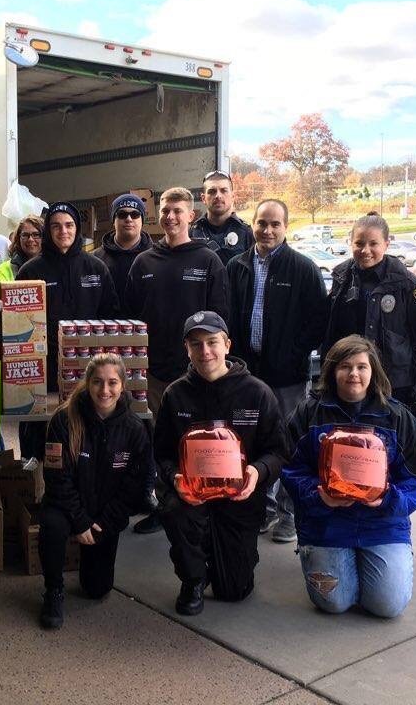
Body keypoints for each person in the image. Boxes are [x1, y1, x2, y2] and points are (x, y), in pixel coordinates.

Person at [282, 335, 416, 618]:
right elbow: (291, 468)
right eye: (345, 366)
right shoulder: (309, 413)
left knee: (387, 606)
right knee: (334, 603)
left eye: (361, 366)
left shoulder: (397, 417)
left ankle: (392, 557)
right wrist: (318, 495)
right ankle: (320, 553)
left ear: (373, 371)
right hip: (326, 522)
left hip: (381, 524)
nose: (353, 374)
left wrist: (389, 499)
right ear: (331, 371)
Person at [155, 311, 290, 616]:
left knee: (234, 591)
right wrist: (174, 477)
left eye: (212, 342)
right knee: (174, 510)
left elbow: (279, 452)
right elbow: (161, 453)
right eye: (196, 344)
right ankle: (192, 579)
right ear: (186, 349)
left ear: (227, 344)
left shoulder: (257, 393)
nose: (205, 352)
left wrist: (257, 472)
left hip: (239, 499)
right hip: (190, 496)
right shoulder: (175, 395)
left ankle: (231, 557)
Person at [125, 187, 229, 534]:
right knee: (162, 442)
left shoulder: (208, 260)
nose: (170, 217)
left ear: (191, 216)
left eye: (177, 211)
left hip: (197, 374)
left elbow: (222, 318)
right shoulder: (143, 263)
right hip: (154, 372)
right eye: (165, 211)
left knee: (199, 439)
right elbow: (130, 318)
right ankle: (166, 504)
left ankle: (204, 505)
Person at [227, 199, 329, 544]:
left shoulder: (303, 268)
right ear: (251, 225)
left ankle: (288, 514)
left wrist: (294, 352)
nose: (267, 230)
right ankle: (263, 509)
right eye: (261, 223)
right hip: (247, 374)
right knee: (253, 442)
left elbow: (319, 320)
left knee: (288, 443)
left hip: (285, 376)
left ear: (286, 227)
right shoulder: (237, 266)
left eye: (275, 224)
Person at [37, 353, 150, 629]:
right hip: (65, 506)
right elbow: (56, 477)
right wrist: (79, 520)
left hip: (105, 513)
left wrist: (104, 522)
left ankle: (91, 566)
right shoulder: (63, 420)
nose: (105, 390)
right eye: (97, 382)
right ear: (87, 384)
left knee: (97, 589)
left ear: (123, 385)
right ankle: (53, 590)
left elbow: (134, 486)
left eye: (112, 382)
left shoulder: (135, 429)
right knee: (51, 525)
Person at [16, 201, 119, 461]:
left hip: (87, 369)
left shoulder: (96, 268)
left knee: (83, 437)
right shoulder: (31, 271)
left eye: (69, 225)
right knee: (41, 433)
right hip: (43, 369)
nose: (63, 231)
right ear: (48, 231)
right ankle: (36, 486)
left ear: (78, 228)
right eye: (56, 226)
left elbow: (110, 317)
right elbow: (17, 322)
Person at [324, 212, 416, 421]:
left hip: (395, 386)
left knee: (392, 449)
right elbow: (329, 333)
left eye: (374, 244)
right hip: (348, 383)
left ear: (387, 244)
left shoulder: (409, 284)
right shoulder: (341, 278)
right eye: (359, 243)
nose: (366, 250)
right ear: (350, 242)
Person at [93, 193, 153, 314]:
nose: (129, 219)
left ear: (142, 220)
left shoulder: (156, 257)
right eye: (122, 214)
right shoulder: (95, 259)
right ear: (113, 221)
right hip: (107, 330)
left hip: (147, 330)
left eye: (135, 214)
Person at [189, 170, 254, 265]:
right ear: (203, 198)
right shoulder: (193, 232)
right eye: (212, 191)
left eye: (224, 190)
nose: (218, 196)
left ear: (233, 196)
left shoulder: (247, 233)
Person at [0, 214, 44, 297]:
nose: (31, 239)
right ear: (18, 239)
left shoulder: (55, 267)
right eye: (25, 235)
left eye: (36, 235)